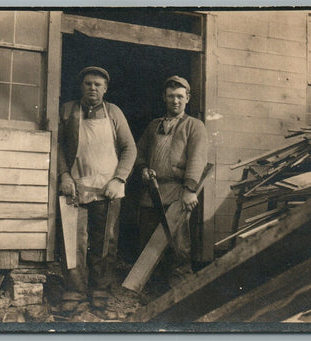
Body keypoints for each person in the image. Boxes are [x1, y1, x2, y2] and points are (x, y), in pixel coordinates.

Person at [57, 66, 136, 315]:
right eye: (89, 84)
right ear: (82, 86)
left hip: (107, 190)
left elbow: (129, 149)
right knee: (74, 242)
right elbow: (56, 145)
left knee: (105, 243)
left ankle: (100, 292)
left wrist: (119, 179)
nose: (93, 88)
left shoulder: (114, 113)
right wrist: (64, 174)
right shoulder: (69, 110)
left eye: (98, 85)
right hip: (75, 188)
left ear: (105, 89)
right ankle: (74, 291)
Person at [135, 75, 208, 288]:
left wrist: (189, 190)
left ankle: (180, 288)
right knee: (149, 241)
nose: (175, 101)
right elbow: (139, 153)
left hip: (178, 192)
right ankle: (150, 289)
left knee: (178, 244)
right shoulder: (153, 126)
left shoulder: (194, 126)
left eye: (179, 96)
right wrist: (142, 169)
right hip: (152, 193)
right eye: (170, 96)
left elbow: (197, 159)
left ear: (188, 98)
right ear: (164, 98)